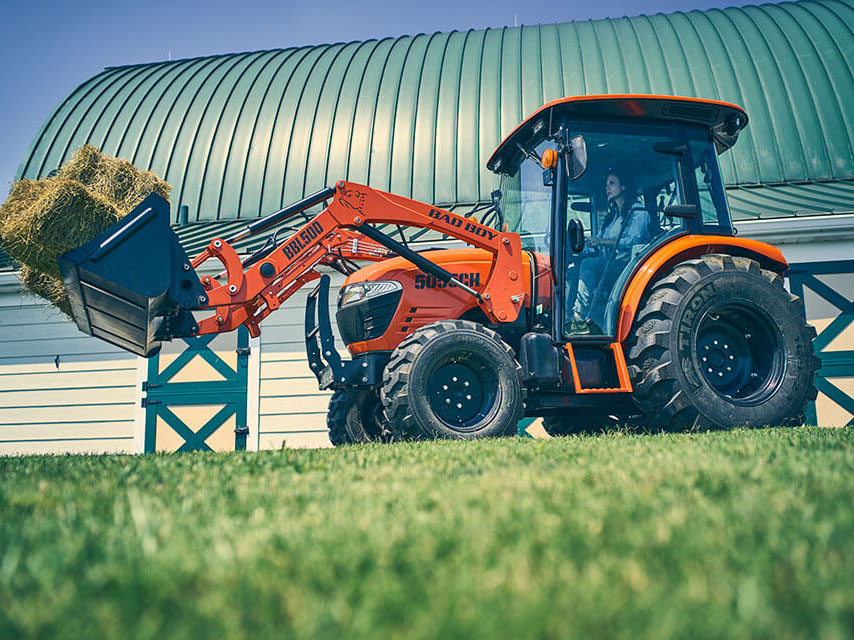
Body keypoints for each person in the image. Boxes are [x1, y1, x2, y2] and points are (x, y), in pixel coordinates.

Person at [570, 171, 650, 334]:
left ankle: (579, 315)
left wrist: (600, 241)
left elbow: (631, 242)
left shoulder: (638, 212)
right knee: (574, 269)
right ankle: (569, 316)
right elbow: (598, 241)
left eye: (612, 183)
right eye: (606, 184)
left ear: (624, 186)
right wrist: (582, 247)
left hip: (629, 267)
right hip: (610, 265)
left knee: (589, 264)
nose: (607, 187)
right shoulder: (612, 217)